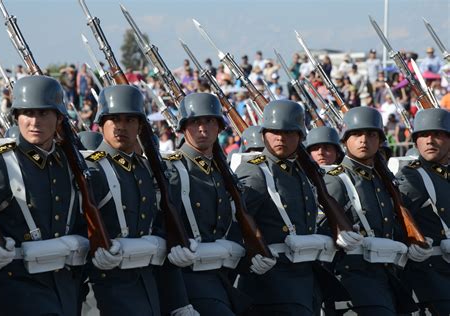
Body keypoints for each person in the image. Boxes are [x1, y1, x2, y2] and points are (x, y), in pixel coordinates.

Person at [235, 100, 360, 315]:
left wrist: (337, 233)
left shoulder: (304, 173)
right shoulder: (255, 172)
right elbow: (236, 222)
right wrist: (249, 257)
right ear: (264, 134)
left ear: (300, 136)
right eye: (274, 132)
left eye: (288, 132)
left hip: (306, 281)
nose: (280, 138)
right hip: (273, 285)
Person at [0, 76, 88, 316]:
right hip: (16, 293)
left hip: (66, 291)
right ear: (16, 117)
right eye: (27, 113)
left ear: (59, 118)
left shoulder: (68, 163)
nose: (34, 121)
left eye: (43, 113)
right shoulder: (0, 162)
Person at [84, 85, 196, 316]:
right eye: (113, 119)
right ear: (101, 123)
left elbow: (159, 227)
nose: (120, 127)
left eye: (129, 120)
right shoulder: (91, 169)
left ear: (140, 126)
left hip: (146, 284)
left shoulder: (145, 169)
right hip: (104, 286)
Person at [163, 93, 269, 316]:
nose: (203, 129)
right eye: (195, 122)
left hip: (221, 278)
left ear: (220, 127)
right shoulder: (172, 169)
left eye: (210, 121)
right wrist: (177, 300)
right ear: (183, 128)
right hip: (188, 281)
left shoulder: (222, 171)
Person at [324, 107, 423, 315]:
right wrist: (337, 233)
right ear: (345, 140)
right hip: (355, 278)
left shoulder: (381, 179)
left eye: (371, 135)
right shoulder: (336, 178)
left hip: (387, 275)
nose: (364, 140)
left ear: (379, 141)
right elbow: (321, 227)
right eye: (357, 134)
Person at [397, 108, 450, 315]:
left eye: (437, 134)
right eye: (423, 135)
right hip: (432, 274)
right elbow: (396, 218)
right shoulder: (411, 178)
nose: (429, 140)